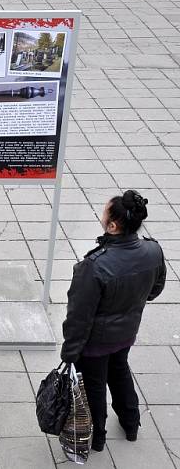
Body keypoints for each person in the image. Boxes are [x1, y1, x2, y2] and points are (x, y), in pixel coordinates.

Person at [61, 190, 165, 452]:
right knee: (119, 371)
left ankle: (97, 437)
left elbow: (78, 316)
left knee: (94, 386)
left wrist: (70, 351)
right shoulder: (153, 250)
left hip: (96, 342)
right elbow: (155, 289)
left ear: (113, 225)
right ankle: (131, 424)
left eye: (104, 210)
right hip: (127, 332)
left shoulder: (94, 266)